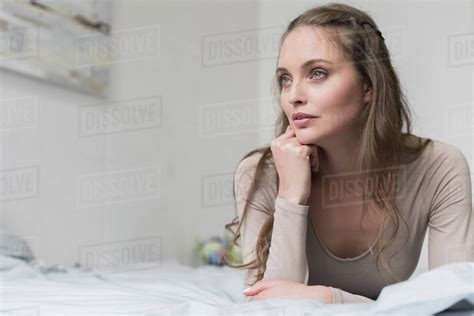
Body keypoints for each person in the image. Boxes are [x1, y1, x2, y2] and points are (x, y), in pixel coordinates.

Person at [224, 2, 473, 304]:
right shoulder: (259, 173)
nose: (293, 96)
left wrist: (330, 298)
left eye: (317, 73)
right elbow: (269, 305)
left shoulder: (438, 167)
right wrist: (291, 195)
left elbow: (454, 300)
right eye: (285, 79)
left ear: (368, 86)